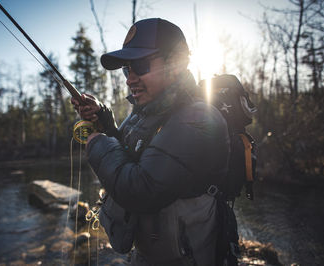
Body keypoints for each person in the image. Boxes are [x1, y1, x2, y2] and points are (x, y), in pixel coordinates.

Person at [72, 18, 230, 266]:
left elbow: (141, 189)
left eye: (140, 66)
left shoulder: (198, 118)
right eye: (127, 69)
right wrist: (102, 118)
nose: (129, 79)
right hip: (148, 255)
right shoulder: (146, 111)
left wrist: (96, 143)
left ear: (176, 65)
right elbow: (126, 151)